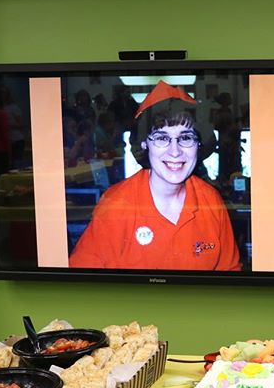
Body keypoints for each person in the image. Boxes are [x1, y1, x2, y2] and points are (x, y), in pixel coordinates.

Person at [69, 80, 241, 271]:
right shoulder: (116, 205)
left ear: (198, 144)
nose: (175, 152)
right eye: (161, 138)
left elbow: (229, 272)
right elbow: (83, 280)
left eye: (185, 138)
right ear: (144, 144)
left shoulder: (210, 200)